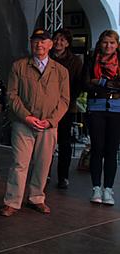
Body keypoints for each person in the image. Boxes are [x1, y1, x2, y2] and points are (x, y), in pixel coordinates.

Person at [0, 28, 69, 217]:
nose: (39, 44)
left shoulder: (61, 71)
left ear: (50, 44)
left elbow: (64, 100)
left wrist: (51, 121)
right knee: (19, 163)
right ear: (31, 43)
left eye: (43, 41)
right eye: (35, 41)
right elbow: (12, 95)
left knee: (43, 164)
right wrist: (26, 117)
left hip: (48, 126)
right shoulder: (19, 66)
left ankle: (37, 198)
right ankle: (12, 201)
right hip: (24, 124)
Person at [84, 29, 120, 205]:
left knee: (112, 151)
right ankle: (96, 188)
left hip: (116, 109)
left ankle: (108, 189)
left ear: (117, 45)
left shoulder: (119, 61)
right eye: (106, 42)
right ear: (101, 43)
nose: (108, 46)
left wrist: (101, 82)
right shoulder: (92, 60)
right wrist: (106, 85)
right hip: (96, 108)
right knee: (97, 148)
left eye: (112, 43)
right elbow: (85, 82)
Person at [50, 28, 83, 189]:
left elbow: (78, 84)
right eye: (56, 39)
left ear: (68, 43)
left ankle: (63, 176)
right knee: (47, 142)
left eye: (62, 40)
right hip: (47, 106)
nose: (58, 42)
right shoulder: (47, 57)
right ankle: (45, 173)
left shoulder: (75, 61)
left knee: (64, 143)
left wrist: (67, 100)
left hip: (67, 107)